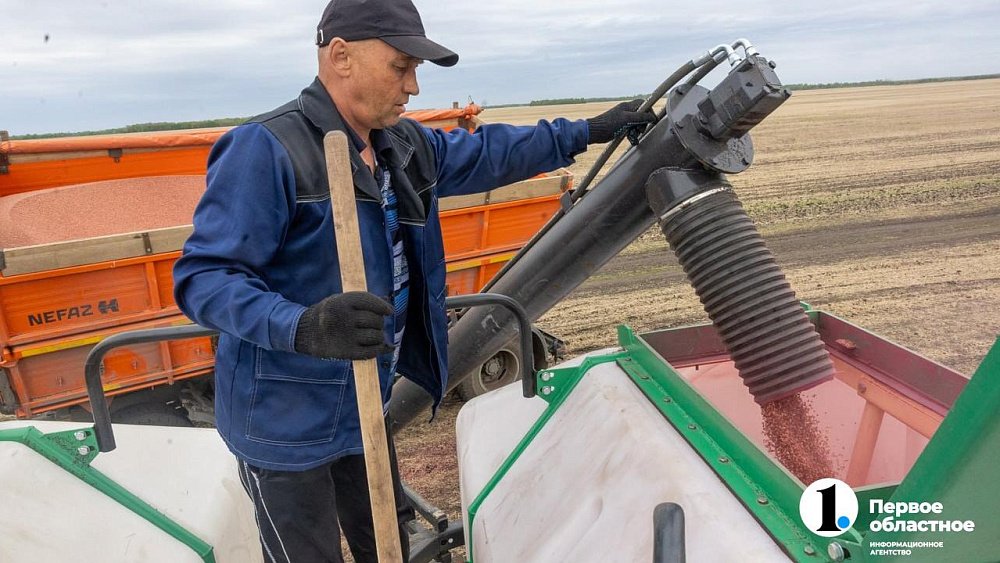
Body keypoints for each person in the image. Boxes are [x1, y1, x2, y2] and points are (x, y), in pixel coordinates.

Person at [172, 0, 653, 561]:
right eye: (400, 67)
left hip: (364, 402)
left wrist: (588, 130)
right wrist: (302, 326)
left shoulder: (401, 145)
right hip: (283, 421)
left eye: (415, 70)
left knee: (386, 544)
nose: (413, 87)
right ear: (341, 56)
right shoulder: (267, 149)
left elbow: (490, 152)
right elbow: (205, 277)